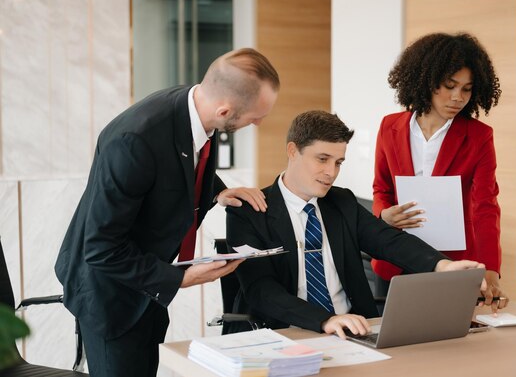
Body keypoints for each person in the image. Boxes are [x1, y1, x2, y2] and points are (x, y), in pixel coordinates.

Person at [54, 48, 280, 377]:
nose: (259, 123)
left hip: (149, 283)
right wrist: (180, 277)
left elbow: (179, 163)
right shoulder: (135, 141)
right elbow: (100, 248)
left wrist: (217, 190)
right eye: (255, 116)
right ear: (225, 111)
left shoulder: (197, 109)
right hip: (108, 293)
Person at [225, 110, 490, 339]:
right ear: (293, 151)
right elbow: (261, 290)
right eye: (322, 159)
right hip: (288, 332)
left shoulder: (341, 202)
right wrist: (324, 320)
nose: (331, 172)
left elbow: (389, 240)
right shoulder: (249, 212)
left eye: (338, 162)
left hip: (355, 332)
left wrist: (443, 265)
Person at [371, 32, 508, 311]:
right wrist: (384, 214)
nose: (458, 98)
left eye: (467, 89)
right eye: (449, 85)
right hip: (395, 256)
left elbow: (485, 205)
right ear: (427, 81)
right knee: (394, 344)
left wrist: (490, 269)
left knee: (450, 347)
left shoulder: (479, 136)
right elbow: (381, 189)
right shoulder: (390, 127)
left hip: (454, 262)